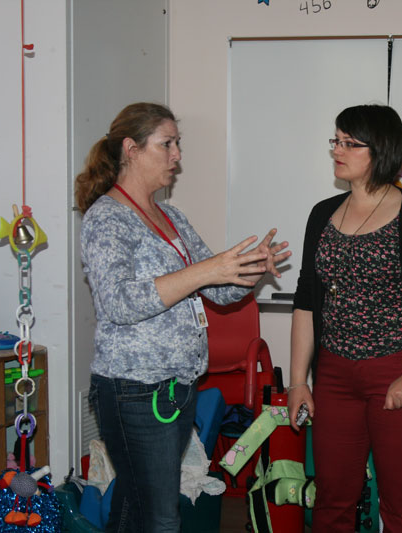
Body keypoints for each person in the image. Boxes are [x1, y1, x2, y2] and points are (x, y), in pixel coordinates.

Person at [75, 102, 289, 532]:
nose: (177, 156)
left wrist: (249, 268)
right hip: (133, 389)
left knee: (136, 506)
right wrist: (205, 271)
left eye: (177, 144)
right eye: (167, 144)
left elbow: (220, 291)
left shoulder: (169, 216)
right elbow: (119, 303)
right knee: (160, 517)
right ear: (131, 149)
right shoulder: (107, 218)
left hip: (175, 388)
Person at [287, 104, 402, 532]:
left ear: (379, 149)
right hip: (333, 375)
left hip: (395, 369)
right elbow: (307, 300)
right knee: (332, 499)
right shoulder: (322, 214)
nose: (337, 150)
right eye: (336, 140)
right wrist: (297, 383)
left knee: (401, 502)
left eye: (349, 143)